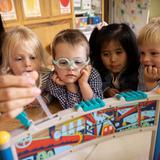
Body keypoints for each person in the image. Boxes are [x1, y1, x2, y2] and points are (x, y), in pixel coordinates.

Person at [46, 29, 103, 109]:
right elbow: (72, 108)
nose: (71, 68)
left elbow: (96, 106)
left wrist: (83, 84)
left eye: (78, 62)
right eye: (63, 62)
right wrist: (70, 85)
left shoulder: (93, 75)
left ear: (87, 63)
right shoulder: (54, 80)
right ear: (54, 65)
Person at [1, 25, 52, 105]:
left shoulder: (47, 76)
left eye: (32, 57)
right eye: (19, 59)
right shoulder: (8, 82)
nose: (27, 64)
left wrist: (43, 100)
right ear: (8, 63)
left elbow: (52, 94)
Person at [89, 23, 140, 97]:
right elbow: (95, 84)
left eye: (118, 52)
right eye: (106, 54)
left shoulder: (137, 70)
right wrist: (106, 90)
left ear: (129, 51)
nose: (113, 59)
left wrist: (130, 91)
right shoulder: (98, 69)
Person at [138, 17, 160, 91]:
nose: (145, 59)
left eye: (153, 53)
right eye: (142, 53)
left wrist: (151, 83)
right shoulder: (142, 68)